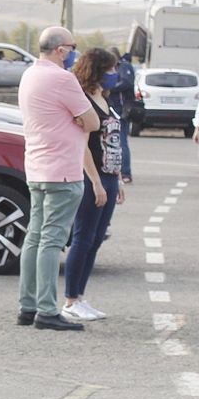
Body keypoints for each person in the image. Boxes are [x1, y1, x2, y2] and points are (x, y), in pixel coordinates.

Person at [16, 26, 100, 332]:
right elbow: (91, 120)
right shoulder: (62, 78)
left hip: (37, 167)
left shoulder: (30, 75)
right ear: (61, 50)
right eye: (73, 47)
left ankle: (27, 305)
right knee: (51, 241)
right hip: (63, 170)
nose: (75, 52)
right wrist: (77, 119)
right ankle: (48, 310)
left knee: (34, 237)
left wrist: (76, 117)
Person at [62, 48, 125, 320]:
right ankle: (70, 300)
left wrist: (117, 178)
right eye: (110, 69)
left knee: (96, 239)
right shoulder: (84, 100)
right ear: (97, 70)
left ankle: (80, 297)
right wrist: (96, 182)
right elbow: (84, 145)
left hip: (110, 176)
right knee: (83, 237)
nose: (114, 75)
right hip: (92, 178)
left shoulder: (104, 97)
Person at [105, 48, 136, 186]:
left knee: (121, 140)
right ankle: (117, 170)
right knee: (113, 140)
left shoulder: (124, 67)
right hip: (112, 107)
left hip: (121, 109)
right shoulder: (113, 67)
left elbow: (127, 83)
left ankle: (125, 173)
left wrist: (110, 87)